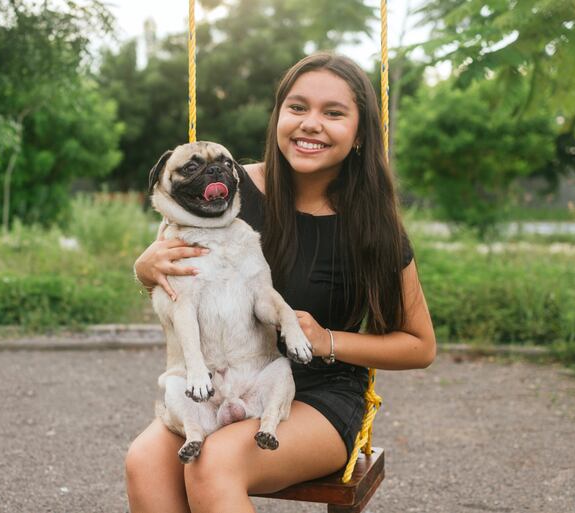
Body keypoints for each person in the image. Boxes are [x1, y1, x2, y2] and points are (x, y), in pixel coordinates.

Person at [127, 52, 436, 513]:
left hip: (320, 398)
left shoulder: (372, 226)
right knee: (145, 461)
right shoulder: (224, 191)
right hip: (225, 380)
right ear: (278, 117)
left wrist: (327, 339)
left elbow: (419, 345)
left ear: (359, 134)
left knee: (214, 463)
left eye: (333, 113)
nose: (311, 123)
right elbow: (174, 286)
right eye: (298, 107)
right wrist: (145, 270)